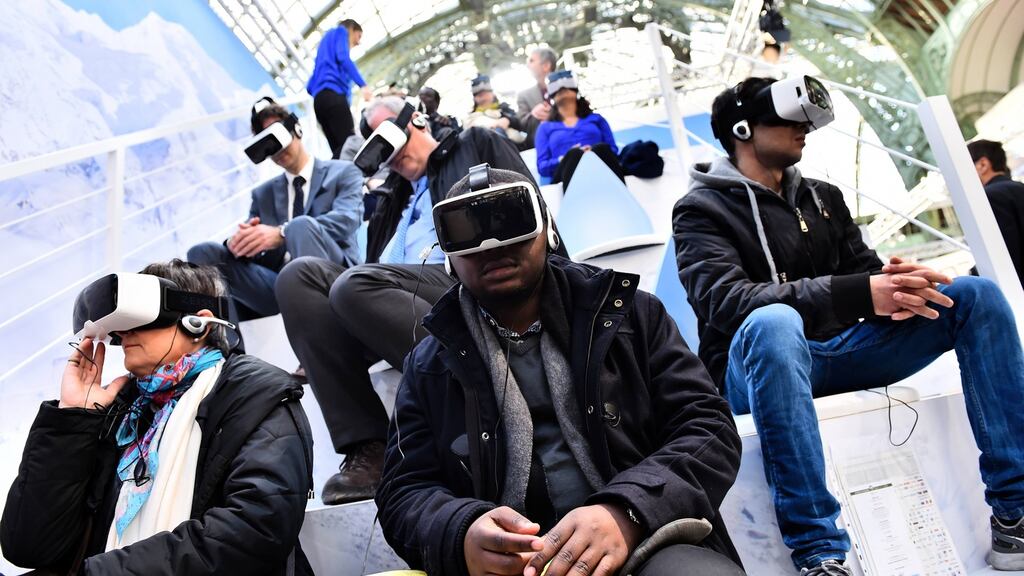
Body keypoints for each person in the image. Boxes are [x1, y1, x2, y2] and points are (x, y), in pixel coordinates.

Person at [673, 76, 1024, 573]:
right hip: (756, 368)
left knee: (975, 295)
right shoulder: (699, 210)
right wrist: (860, 292)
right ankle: (819, 554)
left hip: (841, 351)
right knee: (773, 323)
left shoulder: (823, 198)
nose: (804, 129)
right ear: (743, 128)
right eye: (790, 119)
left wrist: (898, 286)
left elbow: (864, 271)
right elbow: (726, 302)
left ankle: (1016, 515)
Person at [375, 165, 745, 576]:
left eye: (510, 220)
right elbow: (402, 491)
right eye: (467, 232)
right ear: (448, 254)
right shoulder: (428, 365)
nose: (492, 245)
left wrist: (627, 510)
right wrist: (461, 533)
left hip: (645, 546)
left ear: (547, 227)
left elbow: (709, 429)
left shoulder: (633, 317)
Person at [274, 97, 537, 505]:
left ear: (416, 119)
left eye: (385, 134)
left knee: (352, 286)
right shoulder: (390, 200)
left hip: (469, 282)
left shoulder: (474, 145)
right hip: (396, 295)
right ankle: (371, 448)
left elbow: (530, 217)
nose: (387, 153)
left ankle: (483, 386)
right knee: (300, 277)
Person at [1, 260, 314, 575]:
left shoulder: (256, 396)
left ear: (199, 324)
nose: (124, 333)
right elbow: (28, 546)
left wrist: (104, 573)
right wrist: (73, 419)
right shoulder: (121, 411)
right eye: (121, 324)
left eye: (142, 318)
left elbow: (256, 529)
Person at [187, 98, 363, 320]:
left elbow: (347, 220)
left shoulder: (343, 172)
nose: (276, 149)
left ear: (297, 129)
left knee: (300, 226)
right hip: (276, 286)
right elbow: (258, 250)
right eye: (266, 144)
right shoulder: (263, 194)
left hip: (334, 277)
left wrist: (282, 232)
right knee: (202, 252)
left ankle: (326, 326)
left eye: (277, 136)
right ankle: (227, 348)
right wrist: (240, 244)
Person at [535, 70, 624, 189]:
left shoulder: (596, 119)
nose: (562, 88)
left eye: (567, 84)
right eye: (556, 86)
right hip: (564, 177)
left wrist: (591, 152)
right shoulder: (545, 128)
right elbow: (542, 167)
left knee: (601, 148)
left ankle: (621, 196)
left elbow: (612, 151)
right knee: (574, 154)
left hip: (600, 168)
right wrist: (564, 158)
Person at [307, 18, 373, 159]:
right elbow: (343, 58)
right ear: (351, 29)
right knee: (350, 147)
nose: (358, 42)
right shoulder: (341, 32)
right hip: (334, 97)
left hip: (319, 102)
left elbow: (309, 86)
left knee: (338, 151)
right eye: (358, 36)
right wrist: (363, 85)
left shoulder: (324, 47)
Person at [967, 139, 1024, 288]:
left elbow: (1003, 252)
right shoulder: (1019, 187)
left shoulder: (988, 196)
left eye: (965, 167)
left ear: (983, 164)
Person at [465, 74, 527, 145]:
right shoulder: (471, 118)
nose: (483, 98)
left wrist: (508, 120)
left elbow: (520, 124)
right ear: (475, 98)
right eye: (479, 95)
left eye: (485, 94)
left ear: (492, 94)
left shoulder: (504, 109)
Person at [517, 47, 558, 149]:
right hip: (541, 148)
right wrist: (533, 115)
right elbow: (521, 124)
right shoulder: (524, 95)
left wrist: (554, 115)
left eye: (531, 61)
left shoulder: (568, 89)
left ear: (546, 65)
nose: (527, 65)